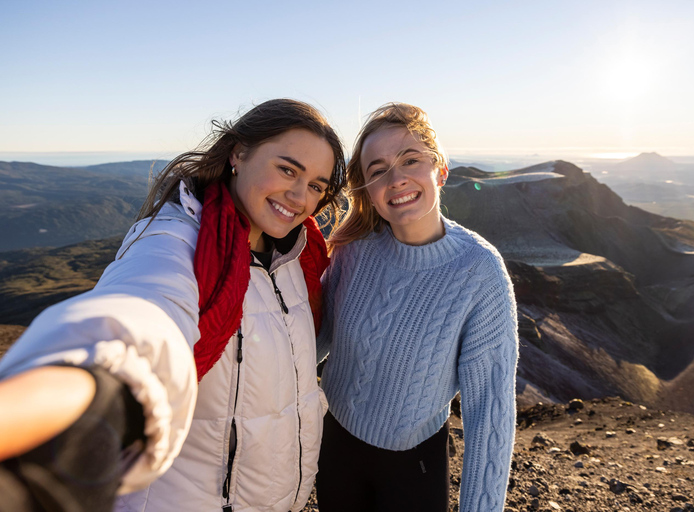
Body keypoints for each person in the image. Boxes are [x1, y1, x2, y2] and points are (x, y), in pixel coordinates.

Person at [0, 98, 346, 512]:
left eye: (316, 186)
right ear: (239, 153)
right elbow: (147, 309)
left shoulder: (298, 258)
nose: (298, 195)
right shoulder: (176, 241)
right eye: (287, 169)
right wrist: (96, 385)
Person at [315, 103, 519, 512]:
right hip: (334, 447)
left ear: (439, 170)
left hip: (413, 465)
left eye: (411, 159)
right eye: (378, 170)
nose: (396, 179)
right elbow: (313, 342)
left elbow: (489, 413)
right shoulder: (353, 252)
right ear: (369, 192)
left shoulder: (480, 272)